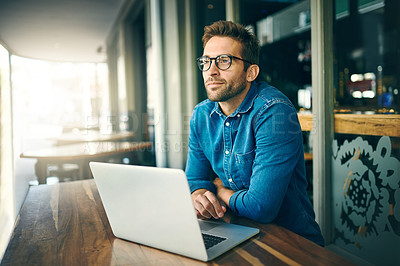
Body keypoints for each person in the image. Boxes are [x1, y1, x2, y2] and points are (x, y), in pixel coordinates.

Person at [185, 20, 324, 246]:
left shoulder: (274, 112)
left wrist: (219, 190)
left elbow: (261, 207)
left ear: (251, 72)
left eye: (224, 61)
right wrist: (201, 196)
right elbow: (195, 179)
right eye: (206, 61)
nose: (211, 70)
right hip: (233, 231)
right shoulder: (202, 115)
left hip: (290, 243)